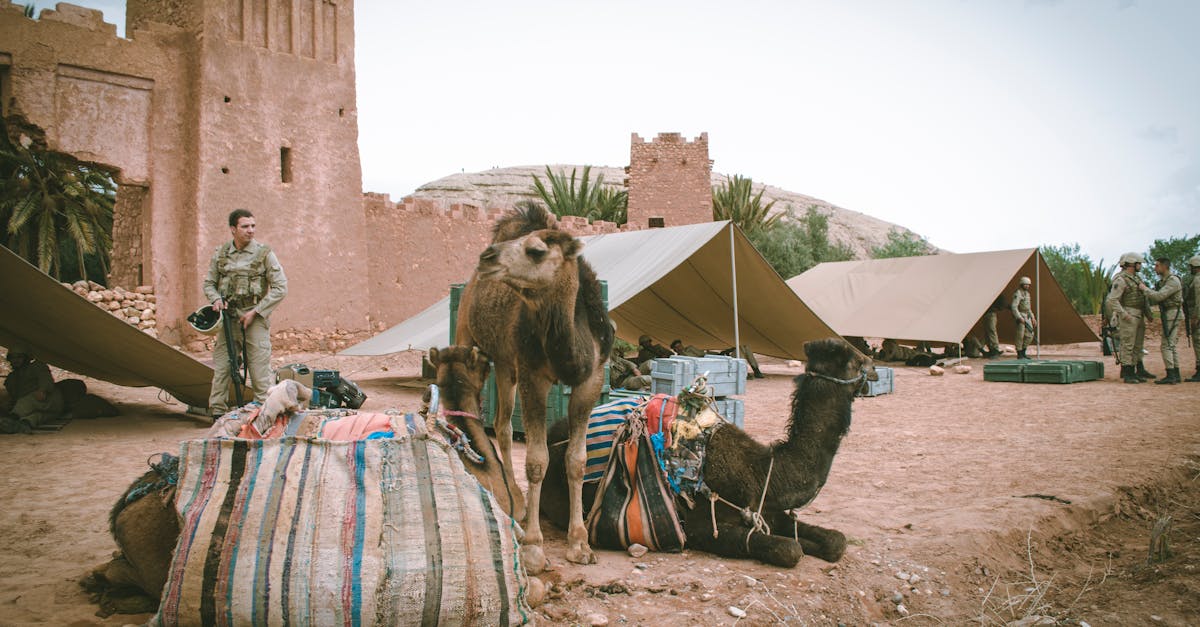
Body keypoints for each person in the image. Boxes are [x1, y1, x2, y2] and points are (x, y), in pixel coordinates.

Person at [204, 209, 288, 416]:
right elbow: (209, 284)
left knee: (260, 371)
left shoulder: (264, 254)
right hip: (228, 318)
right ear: (233, 229)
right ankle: (217, 413)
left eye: (253, 226)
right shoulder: (221, 254)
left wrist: (256, 312)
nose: (251, 230)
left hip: (255, 317)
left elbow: (280, 288)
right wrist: (216, 299)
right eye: (245, 226)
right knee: (222, 368)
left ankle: (265, 415)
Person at [1106, 253, 1153, 384]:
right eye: (1139, 263)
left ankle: (1135, 370)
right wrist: (1123, 314)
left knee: (1137, 345)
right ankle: (1128, 372)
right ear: (1132, 264)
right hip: (1129, 312)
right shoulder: (1121, 280)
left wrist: (1148, 313)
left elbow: (1144, 298)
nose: (1140, 266)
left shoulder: (1136, 279)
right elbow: (1112, 299)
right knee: (1128, 344)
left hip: (1138, 313)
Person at [1, 344, 63, 434]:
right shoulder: (11, 378)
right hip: (39, 410)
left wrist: (42, 390)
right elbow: (14, 396)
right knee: (35, 417)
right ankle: (22, 424)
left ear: (26, 358)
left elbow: (46, 380)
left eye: (19, 357)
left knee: (27, 401)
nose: (16, 360)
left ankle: (11, 418)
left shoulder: (37, 367)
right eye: (13, 357)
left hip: (49, 402)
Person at [1140, 257, 1184, 384]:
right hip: (1170, 313)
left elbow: (1159, 296)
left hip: (1172, 314)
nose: (1155, 268)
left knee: (1166, 345)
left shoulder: (1172, 281)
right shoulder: (1165, 281)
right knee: (1171, 345)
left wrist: (1144, 288)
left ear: (1165, 266)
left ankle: (1171, 375)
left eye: (1157, 265)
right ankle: (1175, 374)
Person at [1010, 277, 1037, 360]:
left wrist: (1033, 317)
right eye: (1025, 284)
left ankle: (1023, 351)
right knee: (1020, 336)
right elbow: (1014, 307)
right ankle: (1019, 353)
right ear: (1021, 284)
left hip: (1027, 316)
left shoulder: (1027, 294)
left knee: (1030, 335)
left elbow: (1028, 308)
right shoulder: (1018, 293)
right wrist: (1019, 317)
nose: (1027, 286)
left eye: (1028, 285)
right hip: (1021, 316)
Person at [1184, 255, 1200, 382]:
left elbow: (1198, 300)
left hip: (1197, 315)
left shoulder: (1197, 280)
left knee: (1198, 342)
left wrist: (1196, 317)